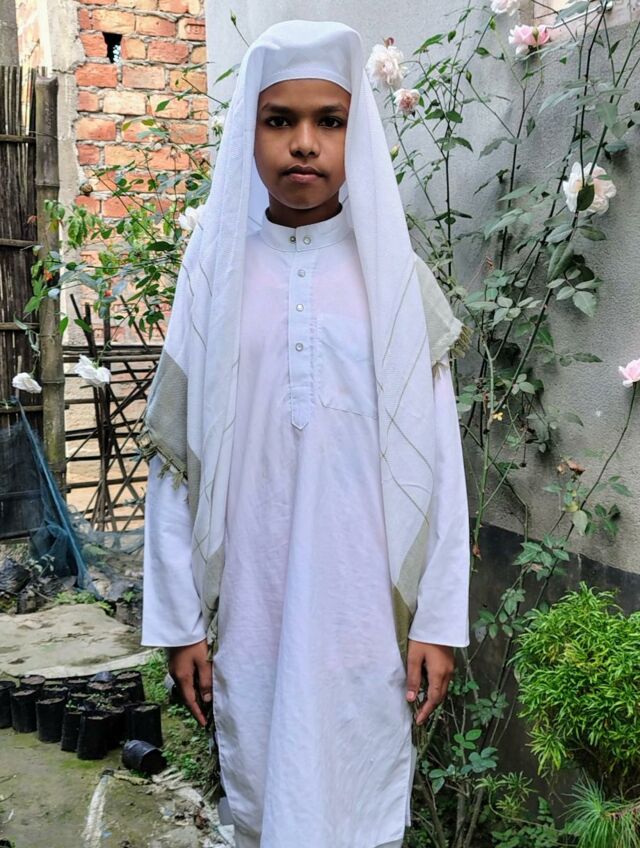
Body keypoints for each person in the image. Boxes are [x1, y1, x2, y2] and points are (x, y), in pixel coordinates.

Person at [140, 19, 470, 848]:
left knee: (360, 796)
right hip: (255, 610)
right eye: (279, 119)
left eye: (330, 120)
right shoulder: (214, 277)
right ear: (248, 130)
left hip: (362, 616)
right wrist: (180, 622)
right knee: (263, 796)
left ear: (358, 134)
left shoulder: (395, 280)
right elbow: (176, 463)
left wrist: (438, 620)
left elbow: (439, 461)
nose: (304, 143)